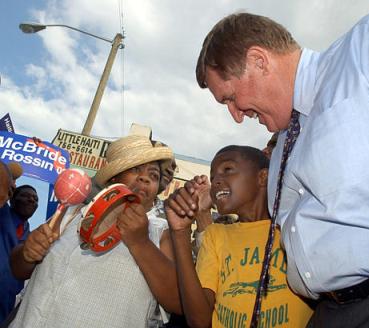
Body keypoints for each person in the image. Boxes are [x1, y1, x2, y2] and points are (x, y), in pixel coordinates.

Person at [195, 10, 369, 327]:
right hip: (331, 312)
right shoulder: (283, 146)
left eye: (230, 98)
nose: (236, 116)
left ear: (259, 61)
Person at [9, 135, 181, 328]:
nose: (145, 178)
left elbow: (178, 302)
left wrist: (140, 243)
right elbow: (18, 269)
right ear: (114, 178)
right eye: (135, 169)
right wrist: (27, 254)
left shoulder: (161, 234)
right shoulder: (70, 214)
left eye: (154, 176)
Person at [165, 145, 312, 327]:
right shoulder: (215, 235)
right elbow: (199, 321)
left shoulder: (293, 228)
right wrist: (179, 233)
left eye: (227, 170)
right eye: (213, 176)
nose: (217, 180)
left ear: (263, 177)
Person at [0, 180, 36, 322]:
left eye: (35, 199)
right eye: (26, 195)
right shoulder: (2, 214)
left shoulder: (32, 237)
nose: (32, 199)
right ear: (12, 198)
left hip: (6, 306)